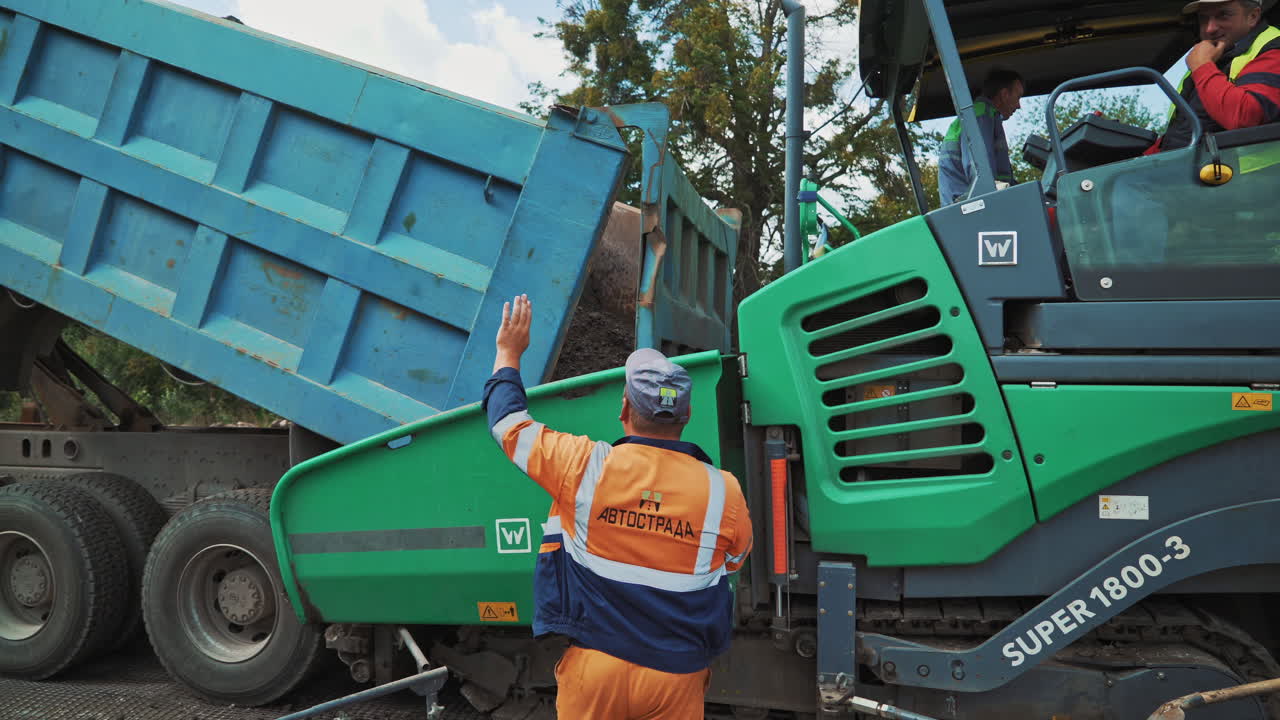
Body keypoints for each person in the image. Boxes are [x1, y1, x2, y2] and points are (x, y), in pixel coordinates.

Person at [482, 294, 753, 719]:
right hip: (675, 676)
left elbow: (506, 424)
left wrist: (507, 352)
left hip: (596, 670)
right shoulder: (724, 492)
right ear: (687, 414)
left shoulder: (584, 466)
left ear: (624, 407)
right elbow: (732, 562)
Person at [1151, 0, 1280, 152]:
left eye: (1223, 15)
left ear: (1252, 16)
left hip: (1254, 175)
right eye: (1204, 19)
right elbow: (1183, 130)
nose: (1210, 28)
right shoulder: (1213, 60)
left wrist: (1202, 66)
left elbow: (1245, 117)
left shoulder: (1274, 47)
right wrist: (1145, 160)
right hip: (1192, 168)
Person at [937, 69, 1025, 205]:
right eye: (1018, 97)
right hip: (972, 207)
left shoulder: (986, 115)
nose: (1019, 106)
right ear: (1004, 94)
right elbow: (979, 170)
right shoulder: (980, 114)